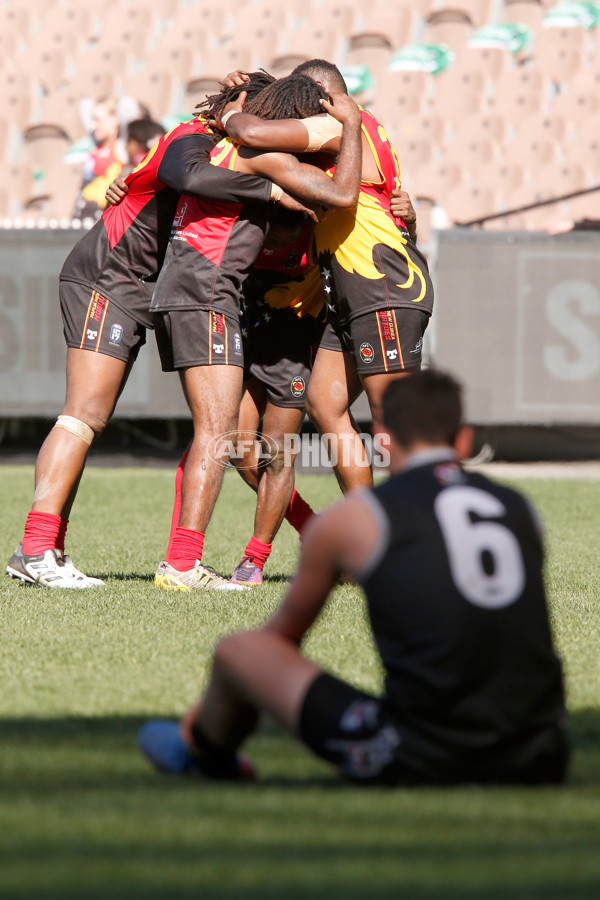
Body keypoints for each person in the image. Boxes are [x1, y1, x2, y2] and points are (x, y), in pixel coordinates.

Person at [138, 369, 569, 787]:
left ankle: (201, 750)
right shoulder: (519, 509)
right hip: (541, 752)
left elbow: (279, 642)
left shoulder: (356, 520)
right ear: (464, 439)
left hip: (423, 754)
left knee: (240, 651)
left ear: (381, 441)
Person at [6, 87, 286, 588]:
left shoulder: (220, 149)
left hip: (130, 283)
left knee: (90, 417)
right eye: (248, 108)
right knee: (82, 414)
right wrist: (269, 191)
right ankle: (33, 550)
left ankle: (46, 549)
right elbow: (185, 175)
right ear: (227, 106)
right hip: (109, 273)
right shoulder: (191, 135)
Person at [151, 74, 364, 591]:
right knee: (219, 434)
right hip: (207, 294)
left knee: (226, 437)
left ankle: (199, 559)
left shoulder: (213, 152)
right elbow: (341, 194)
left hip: (187, 292)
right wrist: (352, 125)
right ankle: (182, 565)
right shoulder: (259, 156)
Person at [220, 60, 434, 495]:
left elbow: (253, 134)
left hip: (381, 285)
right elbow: (391, 211)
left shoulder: (337, 125)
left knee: (390, 418)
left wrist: (227, 111)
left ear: (321, 97)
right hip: (355, 292)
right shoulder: (363, 131)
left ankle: (415, 540)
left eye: (299, 98)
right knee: (324, 401)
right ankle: (369, 525)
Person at [72, 97, 128, 222]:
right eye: (92, 120)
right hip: (81, 212)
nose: (93, 126)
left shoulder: (121, 148)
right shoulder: (95, 148)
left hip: (102, 216)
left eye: (97, 120)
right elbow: (83, 105)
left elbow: (129, 107)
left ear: (115, 120)